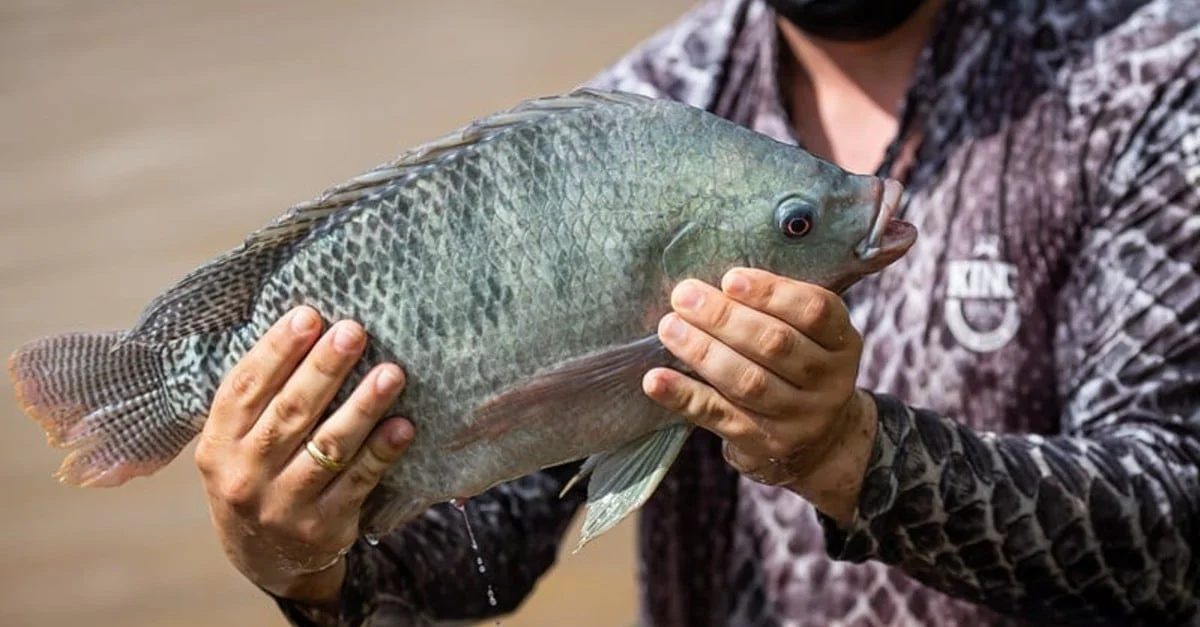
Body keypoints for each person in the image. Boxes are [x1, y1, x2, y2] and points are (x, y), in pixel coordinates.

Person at [192, 0, 1200, 624]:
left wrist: (856, 456)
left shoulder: (1148, 76)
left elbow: (1175, 532)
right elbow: (487, 544)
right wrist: (304, 559)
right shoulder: (643, 109)